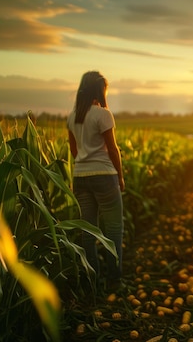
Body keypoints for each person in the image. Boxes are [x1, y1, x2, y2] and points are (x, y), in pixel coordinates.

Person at [67, 70, 125, 292]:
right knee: (113, 229)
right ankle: (115, 281)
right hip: (104, 176)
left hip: (80, 177)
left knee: (87, 232)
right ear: (100, 90)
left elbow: (74, 150)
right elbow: (112, 149)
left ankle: (91, 281)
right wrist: (119, 176)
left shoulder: (72, 116)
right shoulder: (103, 114)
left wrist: (84, 163)